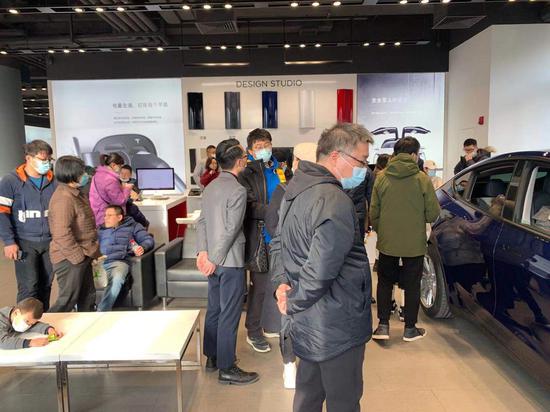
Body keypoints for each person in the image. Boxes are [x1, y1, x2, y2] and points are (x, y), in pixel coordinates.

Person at [270, 123, 373, 412]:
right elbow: (321, 269)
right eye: (362, 161)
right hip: (337, 324)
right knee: (343, 401)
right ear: (337, 156)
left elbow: (278, 243)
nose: (364, 169)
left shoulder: (294, 189)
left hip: (307, 321)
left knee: (308, 396)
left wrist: (282, 286)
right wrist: (292, 301)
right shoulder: (334, 199)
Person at [196, 138, 259, 386]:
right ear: (239, 161)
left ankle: (212, 357)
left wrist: (203, 253)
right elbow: (232, 229)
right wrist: (214, 258)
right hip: (228, 260)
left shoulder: (210, 187)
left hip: (211, 260)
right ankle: (227, 367)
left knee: (214, 309)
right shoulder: (238, 190)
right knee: (229, 314)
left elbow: (202, 222)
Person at [370, 137, 440, 342]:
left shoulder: (381, 177)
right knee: (412, 284)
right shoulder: (422, 179)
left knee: (384, 282)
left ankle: (383, 326)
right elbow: (432, 213)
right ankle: (410, 328)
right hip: (414, 242)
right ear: (414, 155)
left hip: (387, 242)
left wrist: (382, 230)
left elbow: (374, 211)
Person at [265, 141, 317, 390]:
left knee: (298, 315)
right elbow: (274, 229)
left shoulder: (325, 191)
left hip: (306, 266)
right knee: (290, 314)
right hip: (295, 266)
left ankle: (295, 364)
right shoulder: (285, 191)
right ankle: (289, 364)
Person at [238, 128, 291, 353]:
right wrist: (275, 210)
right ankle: (253, 331)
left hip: (282, 236)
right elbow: (249, 206)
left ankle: (272, 324)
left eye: (266, 145)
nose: (263, 150)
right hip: (260, 237)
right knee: (259, 287)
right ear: (250, 151)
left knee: (280, 283)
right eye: (258, 147)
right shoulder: (246, 174)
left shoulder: (281, 169)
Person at [0, 140, 56, 311]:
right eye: (42, 159)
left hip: (50, 241)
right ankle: (24, 321)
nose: (46, 163)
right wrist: (9, 241)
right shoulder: (10, 181)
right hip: (24, 241)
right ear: (28, 158)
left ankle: (42, 318)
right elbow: (2, 212)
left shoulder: (53, 180)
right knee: (29, 286)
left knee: (46, 284)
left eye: (48, 160)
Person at [48, 156, 100, 313]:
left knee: (88, 298)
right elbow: (61, 233)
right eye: (82, 172)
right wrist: (78, 257)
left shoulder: (77, 193)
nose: (85, 175)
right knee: (67, 301)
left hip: (84, 253)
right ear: (71, 174)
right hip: (70, 257)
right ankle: (46, 325)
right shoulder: (64, 198)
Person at [97, 205, 154, 311]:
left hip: (119, 262)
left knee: (117, 278)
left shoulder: (133, 226)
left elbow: (148, 240)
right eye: (105, 215)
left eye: (109, 215)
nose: (106, 218)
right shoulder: (100, 229)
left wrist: (142, 247)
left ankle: (102, 311)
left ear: (119, 217)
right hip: (100, 262)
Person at [89, 153, 134, 227]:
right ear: (113, 165)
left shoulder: (98, 174)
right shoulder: (110, 180)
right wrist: (127, 188)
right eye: (120, 166)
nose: (121, 168)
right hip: (106, 215)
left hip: (97, 211)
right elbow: (120, 201)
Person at [119, 164, 149, 229]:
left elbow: (135, 195)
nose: (123, 176)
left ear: (130, 175)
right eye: (122, 173)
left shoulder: (134, 182)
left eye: (126, 174)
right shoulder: (116, 182)